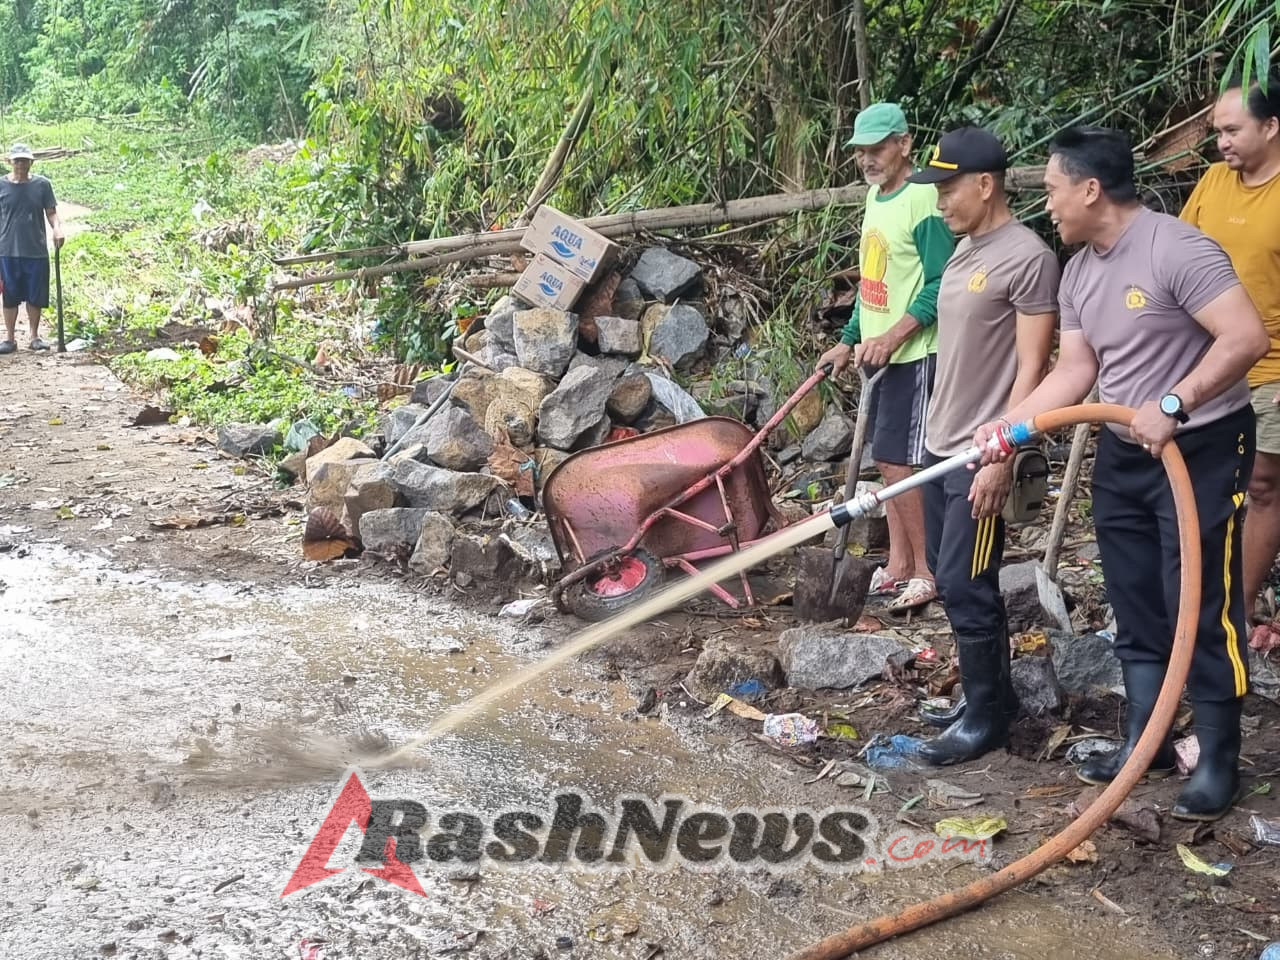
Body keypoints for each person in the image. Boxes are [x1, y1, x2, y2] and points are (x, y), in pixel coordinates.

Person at [974, 126, 1269, 821]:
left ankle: (1221, 756)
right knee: (1135, 601)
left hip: (1198, 445)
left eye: (1050, 191)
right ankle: (1150, 739)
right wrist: (1009, 428)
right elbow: (1077, 371)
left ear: (1089, 189)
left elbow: (1246, 337)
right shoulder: (1079, 271)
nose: (1046, 207)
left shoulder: (1177, 248)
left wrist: (1174, 404)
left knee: (1199, 601)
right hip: (1122, 454)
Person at [896, 127, 1059, 764]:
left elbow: (1033, 369)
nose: (939, 203)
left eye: (948, 188)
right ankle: (987, 697)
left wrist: (1001, 453)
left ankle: (988, 717)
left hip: (982, 450)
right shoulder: (964, 250)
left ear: (985, 185)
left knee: (968, 581)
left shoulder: (1028, 257)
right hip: (941, 444)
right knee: (949, 574)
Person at [816, 102, 955, 614]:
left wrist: (896, 335)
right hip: (878, 355)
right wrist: (849, 338)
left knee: (904, 464)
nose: (868, 160)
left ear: (904, 143)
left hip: (916, 354)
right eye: (861, 152)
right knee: (887, 460)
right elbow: (874, 283)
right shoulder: (878, 196)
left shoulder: (923, 201)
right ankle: (898, 564)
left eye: (877, 149)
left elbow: (944, 282)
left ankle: (927, 571)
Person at [1179, 71, 1280, 653]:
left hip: (1271, 370)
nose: (1222, 142)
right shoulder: (1213, 183)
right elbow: (1177, 254)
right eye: (1218, 131)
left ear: (1271, 126)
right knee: (1204, 484)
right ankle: (1198, 597)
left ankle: (1231, 612)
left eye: (1233, 130)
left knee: (1264, 486)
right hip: (1205, 365)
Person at [0, 142, 64, 354]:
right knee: (9, 296)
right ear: (10, 162)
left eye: (25, 161)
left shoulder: (42, 185)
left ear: (31, 162)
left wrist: (57, 229)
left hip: (35, 250)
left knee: (35, 295)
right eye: (17, 160)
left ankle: (34, 336)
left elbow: (51, 212)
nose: (21, 164)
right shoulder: (1, 185)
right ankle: (9, 338)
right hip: (7, 250)